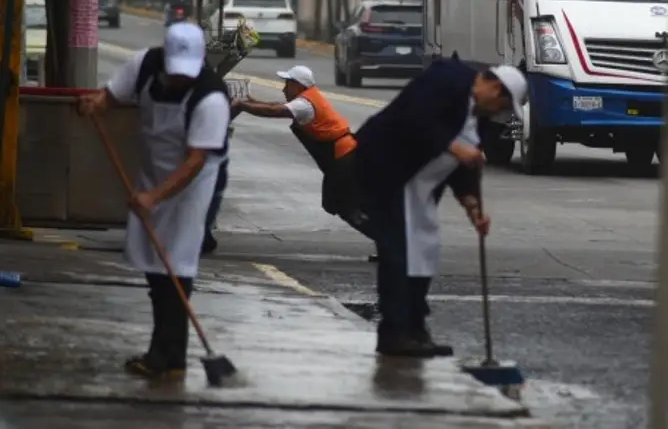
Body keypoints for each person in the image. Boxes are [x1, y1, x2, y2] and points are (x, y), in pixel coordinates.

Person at [76, 22, 231, 380]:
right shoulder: (144, 65)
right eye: (174, 73)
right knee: (154, 262)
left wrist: (154, 197)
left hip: (195, 182)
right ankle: (166, 354)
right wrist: (96, 104)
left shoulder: (211, 98)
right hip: (153, 171)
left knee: (176, 263)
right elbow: (111, 96)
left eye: (186, 74)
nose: (179, 80)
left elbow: (195, 161)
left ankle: (168, 355)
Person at [355, 58, 528, 358]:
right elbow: (415, 119)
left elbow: (466, 164)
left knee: (425, 248)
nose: (499, 113)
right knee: (398, 251)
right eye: (501, 106)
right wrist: (454, 147)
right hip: (385, 170)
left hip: (419, 185)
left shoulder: (482, 116)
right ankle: (394, 333)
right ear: (495, 88)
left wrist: (472, 206)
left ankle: (416, 329)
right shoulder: (447, 79)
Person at [232, 66, 366, 234]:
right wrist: (250, 101)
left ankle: (389, 243)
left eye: (287, 84)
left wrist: (243, 106)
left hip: (343, 156)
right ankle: (387, 241)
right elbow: (276, 105)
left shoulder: (304, 104)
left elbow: (273, 111)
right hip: (343, 155)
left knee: (345, 206)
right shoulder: (307, 98)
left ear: (298, 86)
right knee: (341, 203)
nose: (284, 88)